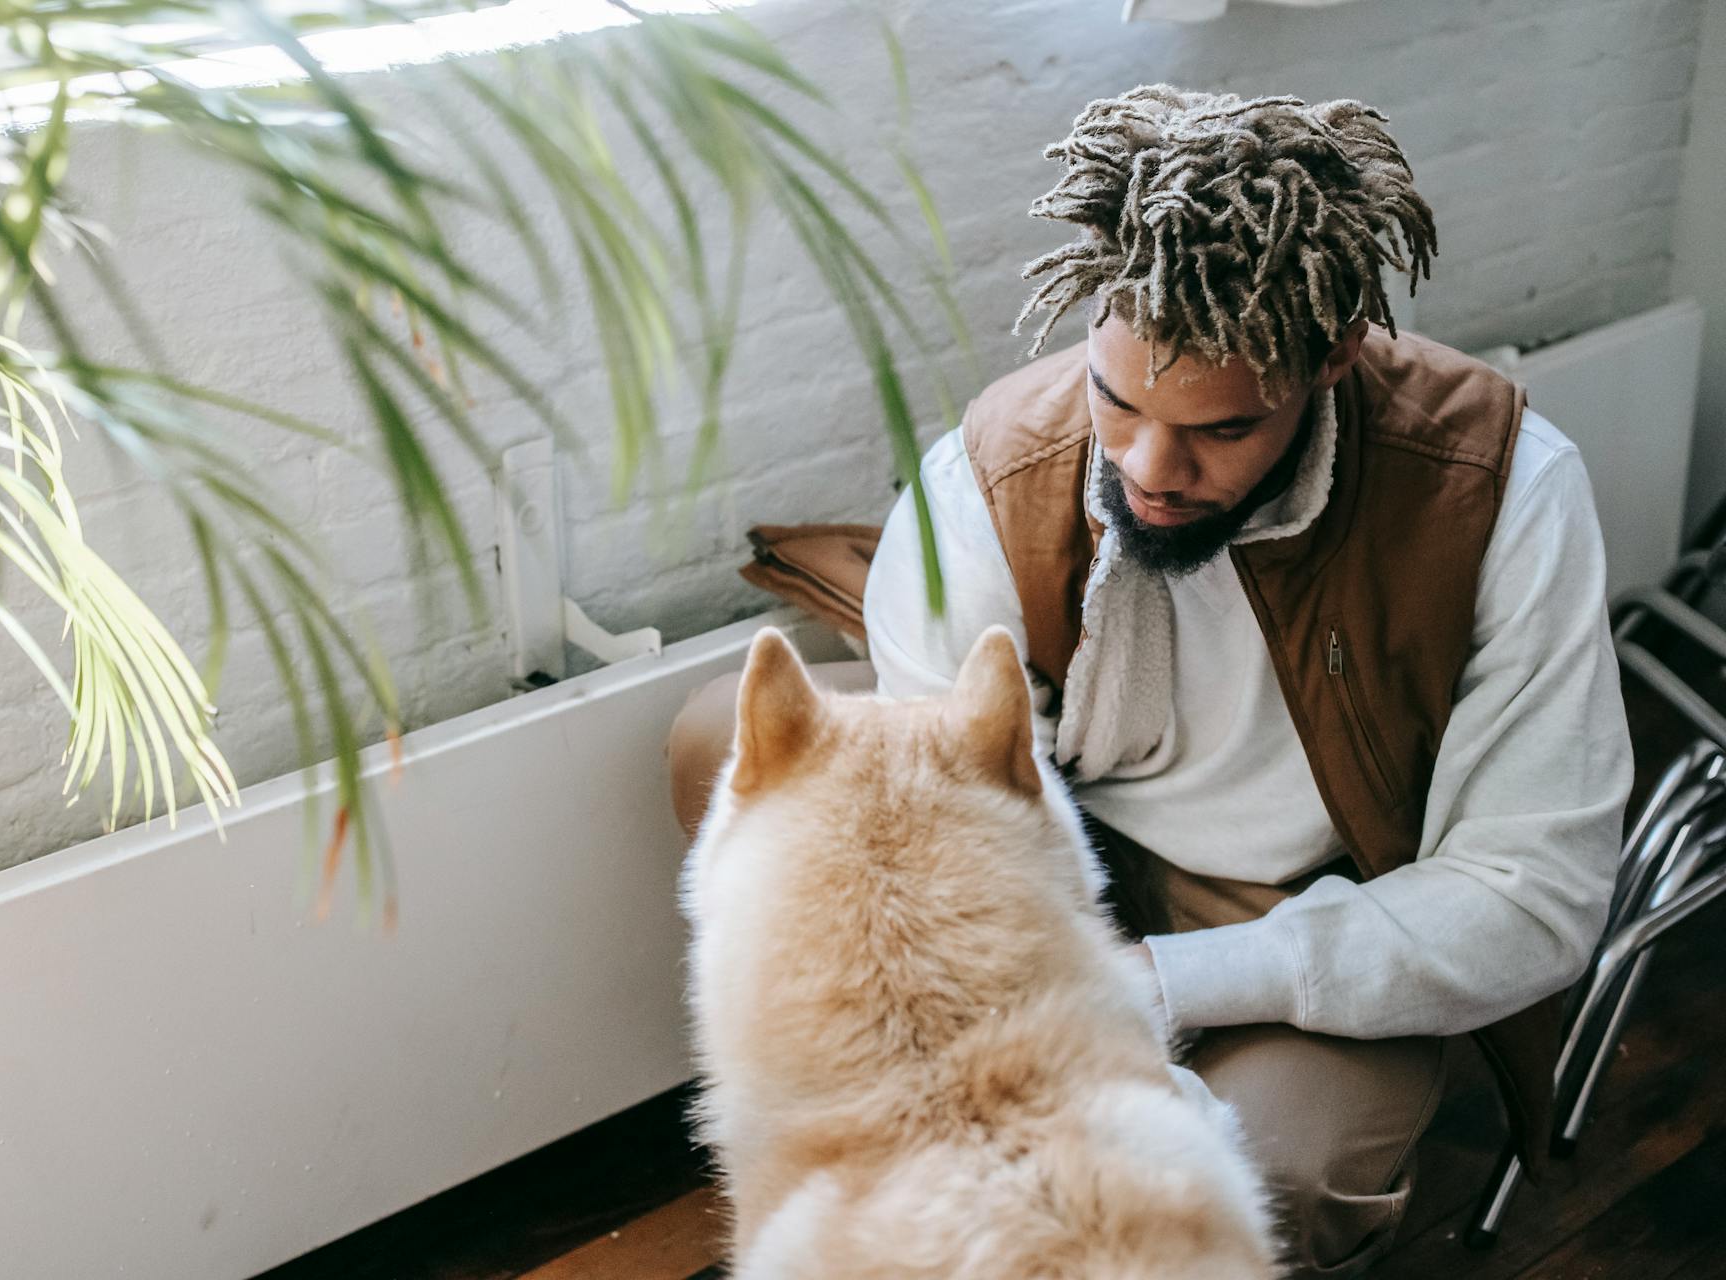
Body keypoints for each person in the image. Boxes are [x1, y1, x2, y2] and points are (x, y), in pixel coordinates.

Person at [666, 85, 1630, 1277]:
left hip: (1308, 903)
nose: (1148, 468)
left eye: (1221, 430)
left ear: (1333, 361)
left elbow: (1531, 893)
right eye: (1115, 403)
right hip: (1064, 862)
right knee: (723, 741)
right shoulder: (989, 476)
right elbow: (943, 842)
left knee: (1270, 1174)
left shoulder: (1499, 488)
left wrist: (1152, 992)